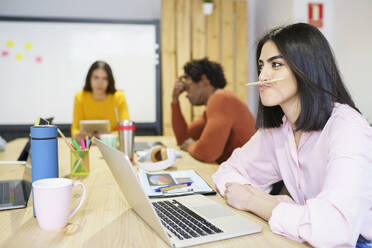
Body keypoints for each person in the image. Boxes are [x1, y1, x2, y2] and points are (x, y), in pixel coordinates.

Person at [212, 23, 372, 247]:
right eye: (261, 66)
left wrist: (256, 202)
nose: (263, 76)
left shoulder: (348, 128)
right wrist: (274, 204)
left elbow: (336, 230)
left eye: (276, 65)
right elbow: (227, 172)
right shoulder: (280, 129)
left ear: (306, 69)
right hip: (309, 238)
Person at [172, 58, 256, 164]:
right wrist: (175, 99)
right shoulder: (218, 103)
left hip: (249, 178)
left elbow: (207, 153)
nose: (186, 94)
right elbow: (183, 138)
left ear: (204, 80)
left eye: (188, 87)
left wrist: (189, 145)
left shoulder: (221, 99)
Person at [71, 61, 130, 141]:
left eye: (104, 78)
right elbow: (75, 129)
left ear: (109, 81)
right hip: (86, 145)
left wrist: (111, 135)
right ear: (89, 79)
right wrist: (78, 135)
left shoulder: (118, 97)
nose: (100, 82)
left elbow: (125, 129)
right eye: (96, 77)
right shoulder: (80, 97)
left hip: (111, 144)